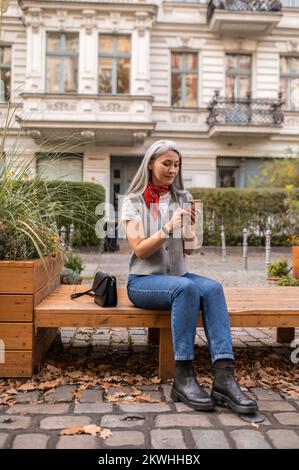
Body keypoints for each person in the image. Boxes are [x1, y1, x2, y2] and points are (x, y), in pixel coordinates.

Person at [120, 139, 258, 414]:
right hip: (143, 282)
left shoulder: (183, 197)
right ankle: (183, 376)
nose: (173, 170)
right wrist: (169, 227)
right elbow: (140, 250)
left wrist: (190, 229)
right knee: (186, 288)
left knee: (214, 288)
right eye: (167, 163)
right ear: (150, 163)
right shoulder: (133, 202)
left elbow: (192, 250)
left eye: (177, 164)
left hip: (179, 276)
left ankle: (224, 378)